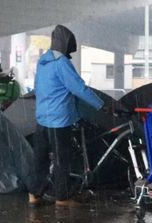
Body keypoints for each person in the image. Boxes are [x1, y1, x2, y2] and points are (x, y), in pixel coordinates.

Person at [30, 25, 104, 207]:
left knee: (40, 158)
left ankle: (34, 194)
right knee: (61, 160)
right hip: (59, 120)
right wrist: (101, 105)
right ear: (65, 43)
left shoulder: (43, 62)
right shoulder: (61, 63)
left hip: (42, 117)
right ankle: (62, 198)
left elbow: (38, 87)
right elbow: (79, 88)